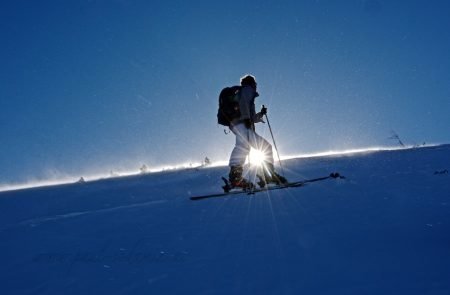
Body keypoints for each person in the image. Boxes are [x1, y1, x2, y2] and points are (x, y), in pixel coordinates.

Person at [228, 74, 287, 188]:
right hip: (241, 124)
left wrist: (261, 114)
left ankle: (237, 177)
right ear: (251, 83)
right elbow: (243, 103)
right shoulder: (247, 90)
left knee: (247, 147)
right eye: (255, 83)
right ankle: (265, 176)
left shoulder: (245, 92)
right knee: (251, 147)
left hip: (239, 124)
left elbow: (252, 117)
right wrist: (245, 118)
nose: (256, 85)